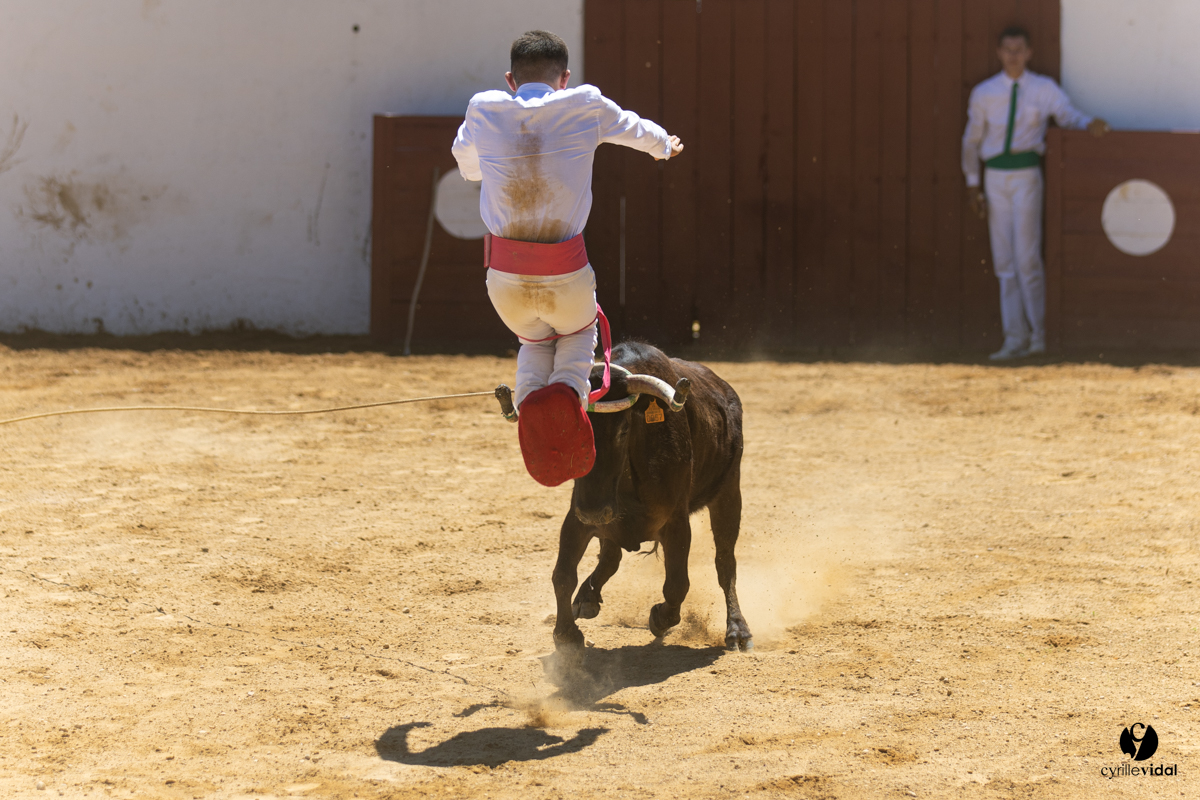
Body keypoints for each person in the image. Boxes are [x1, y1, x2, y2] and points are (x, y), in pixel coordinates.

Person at [451, 30, 683, 485]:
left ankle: (533, 406)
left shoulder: (484, 108)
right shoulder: (584, 104)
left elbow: (467, 165)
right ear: (565, 77)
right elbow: (638, 129)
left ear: (510, 79)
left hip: (504, 277)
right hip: (565, 272)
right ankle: (566, 399)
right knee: (577, 336)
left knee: (535, 342)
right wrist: (664, 147)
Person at [962, 26, 1109, 361]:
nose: (1013, 55)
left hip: (1027, 174)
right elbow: (971, 140)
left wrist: (1089, 124)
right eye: (1008, 49)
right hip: (995, 177)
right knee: (1004, 260)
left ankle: (1039, 336)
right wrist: (973, 184)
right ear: (999, 53)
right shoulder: (984, 93)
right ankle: (1014, 338)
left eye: (1019, 49)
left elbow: (1068, 115)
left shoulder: (1043, 89)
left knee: (1027, 256)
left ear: (1029, 54)